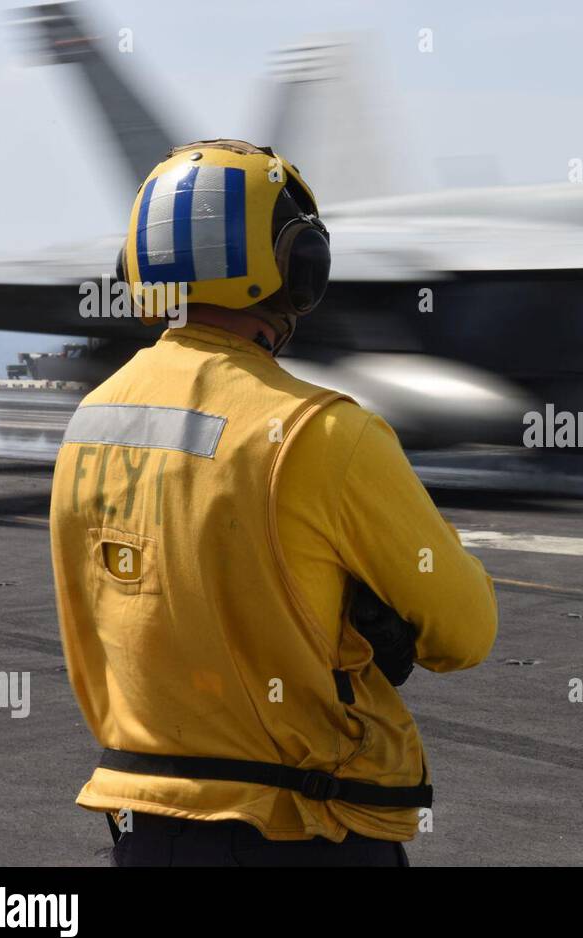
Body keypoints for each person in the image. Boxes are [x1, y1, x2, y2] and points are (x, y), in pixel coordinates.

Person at [48, 139, 497, 866]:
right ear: (296, 268)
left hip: (146, 831)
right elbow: (467, 630)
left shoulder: (90, 424)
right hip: (303, 830)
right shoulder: (326, 432)